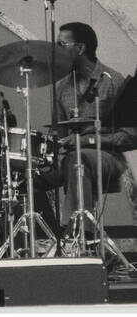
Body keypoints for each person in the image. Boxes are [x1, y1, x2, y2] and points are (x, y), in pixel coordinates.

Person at [54, 22, 136, 223]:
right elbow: (59, 134)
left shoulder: (113, 81)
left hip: (109, 157)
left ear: (80, 48)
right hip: (70, 156)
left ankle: (80, 234)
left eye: (61, 45)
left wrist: (87, 141)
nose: (56, 51)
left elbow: (131, 138)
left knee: (78, 160)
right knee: (26, 173)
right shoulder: (61, 87)